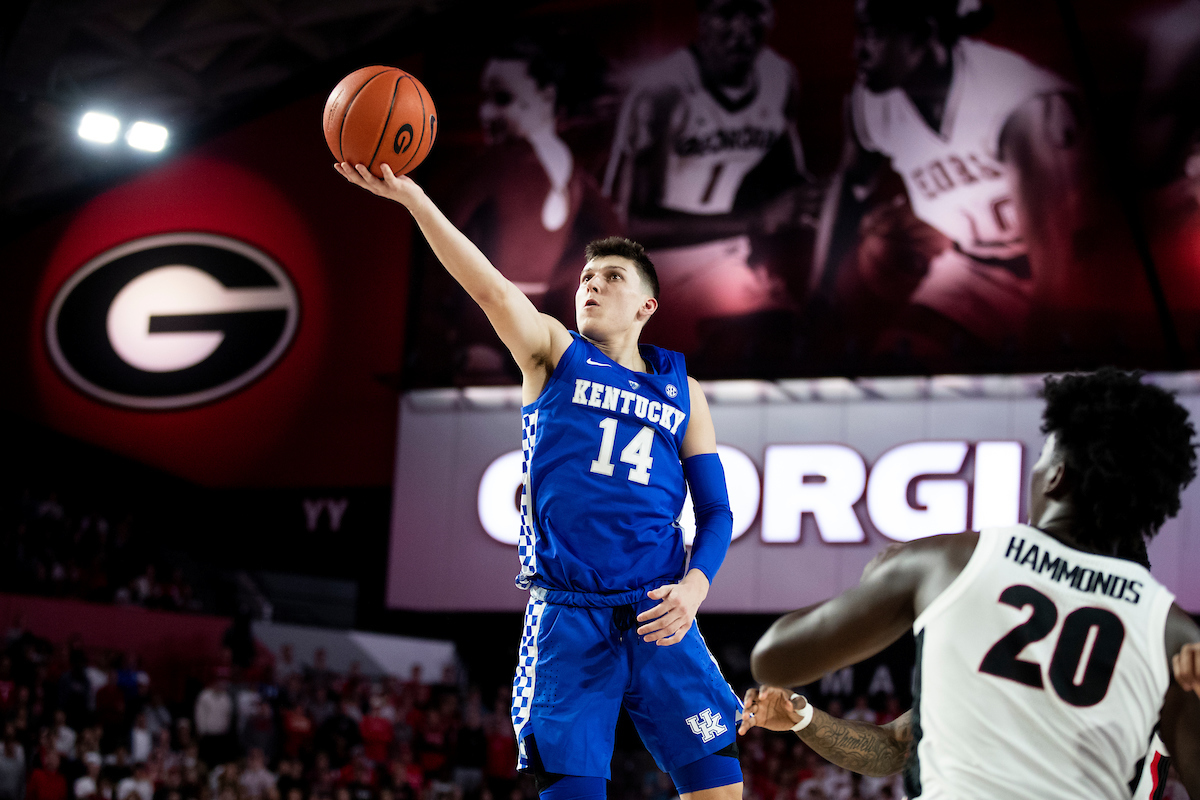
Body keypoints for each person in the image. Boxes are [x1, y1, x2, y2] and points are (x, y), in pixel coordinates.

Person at [336, 161, 740, 799]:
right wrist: (416, 201)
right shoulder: (553, 352)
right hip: (569, 616)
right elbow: (493, 290)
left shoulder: (683, 390)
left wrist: (694, 587)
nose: (591, 286)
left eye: (612, 278)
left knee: (719, 792)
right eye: (585, 277)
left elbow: (716, 513)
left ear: (647, 305)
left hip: (662, 609)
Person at [747, 368, 1200, 797]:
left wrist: (881, 584)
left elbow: (774, 659)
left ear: (1057, 477)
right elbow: (893, 749)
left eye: (1042, 460)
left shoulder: (956, 562)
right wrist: (805, 718)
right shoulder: (1169, 633)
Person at [811, 0, 1084, 363]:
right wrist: (822, 288)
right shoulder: (871, 102)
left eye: (873, 35)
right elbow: (849, 184)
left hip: (1081, 264)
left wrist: (1038, 357)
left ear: (923, 34)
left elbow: (1054, 255)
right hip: (978, 266)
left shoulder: (1012, 99)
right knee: (896, 366)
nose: (856, 51)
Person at [603, 0, 814, 358]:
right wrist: (756, 219)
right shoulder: (663, 91)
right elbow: (624, 226)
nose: (741, 30)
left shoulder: (780, 77)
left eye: (753, 13)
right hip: (657, 267)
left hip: (732, 256)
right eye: (728, 13)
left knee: (802, 332)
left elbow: (792, 182)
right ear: (702, 18)